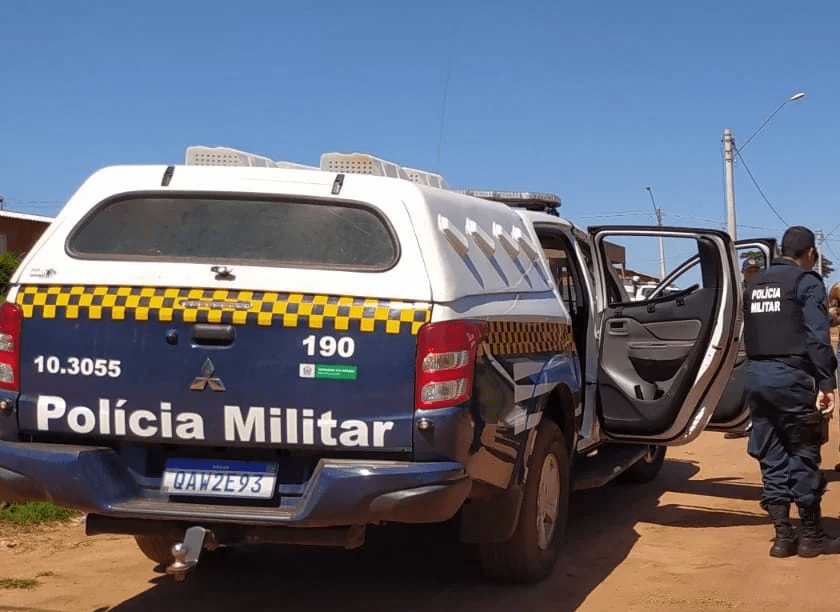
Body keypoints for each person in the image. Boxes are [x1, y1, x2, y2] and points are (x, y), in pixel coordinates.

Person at [743, 226, 839, 558]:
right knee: (804, 453)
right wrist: (827, 383)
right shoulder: (806, 282)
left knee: (771, 455)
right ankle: (812, 536)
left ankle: (784, 538)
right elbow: (817, 336)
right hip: (792, 379)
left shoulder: (753, 284)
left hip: (755, 377)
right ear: (809, 253)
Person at [723, 257, 765, 440]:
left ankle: (757, 424)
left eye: (756, 271)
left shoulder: (766, 290)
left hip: (761, 344)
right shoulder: (737, 292)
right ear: (744, 273)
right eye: (750, 272)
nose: (753, 275)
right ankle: (741, 423)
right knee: (742, 384)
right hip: (740, 343)